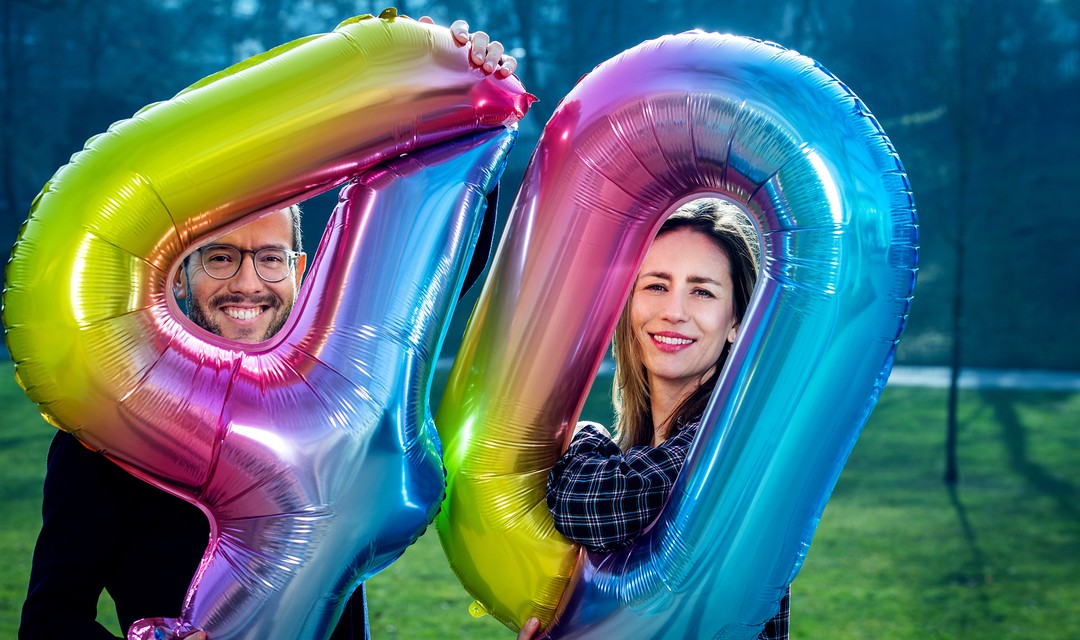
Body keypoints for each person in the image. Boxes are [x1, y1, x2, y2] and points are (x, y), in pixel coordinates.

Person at [19, 19, 516, 640]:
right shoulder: (108, 431)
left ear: (301, 271)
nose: (247, 284)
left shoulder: (329, 382)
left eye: (270, 258)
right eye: (221, 257)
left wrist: (467, 89)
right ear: (177, 275)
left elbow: (430, 267)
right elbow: (49, 618)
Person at [520, 198, 788, 640]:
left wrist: (588, 434)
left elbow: (587, 502)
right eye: (656, 285)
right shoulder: (640, 450)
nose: (674, 312)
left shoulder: (728, 446)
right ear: (628, 304)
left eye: (702, 291)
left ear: (737, 321)